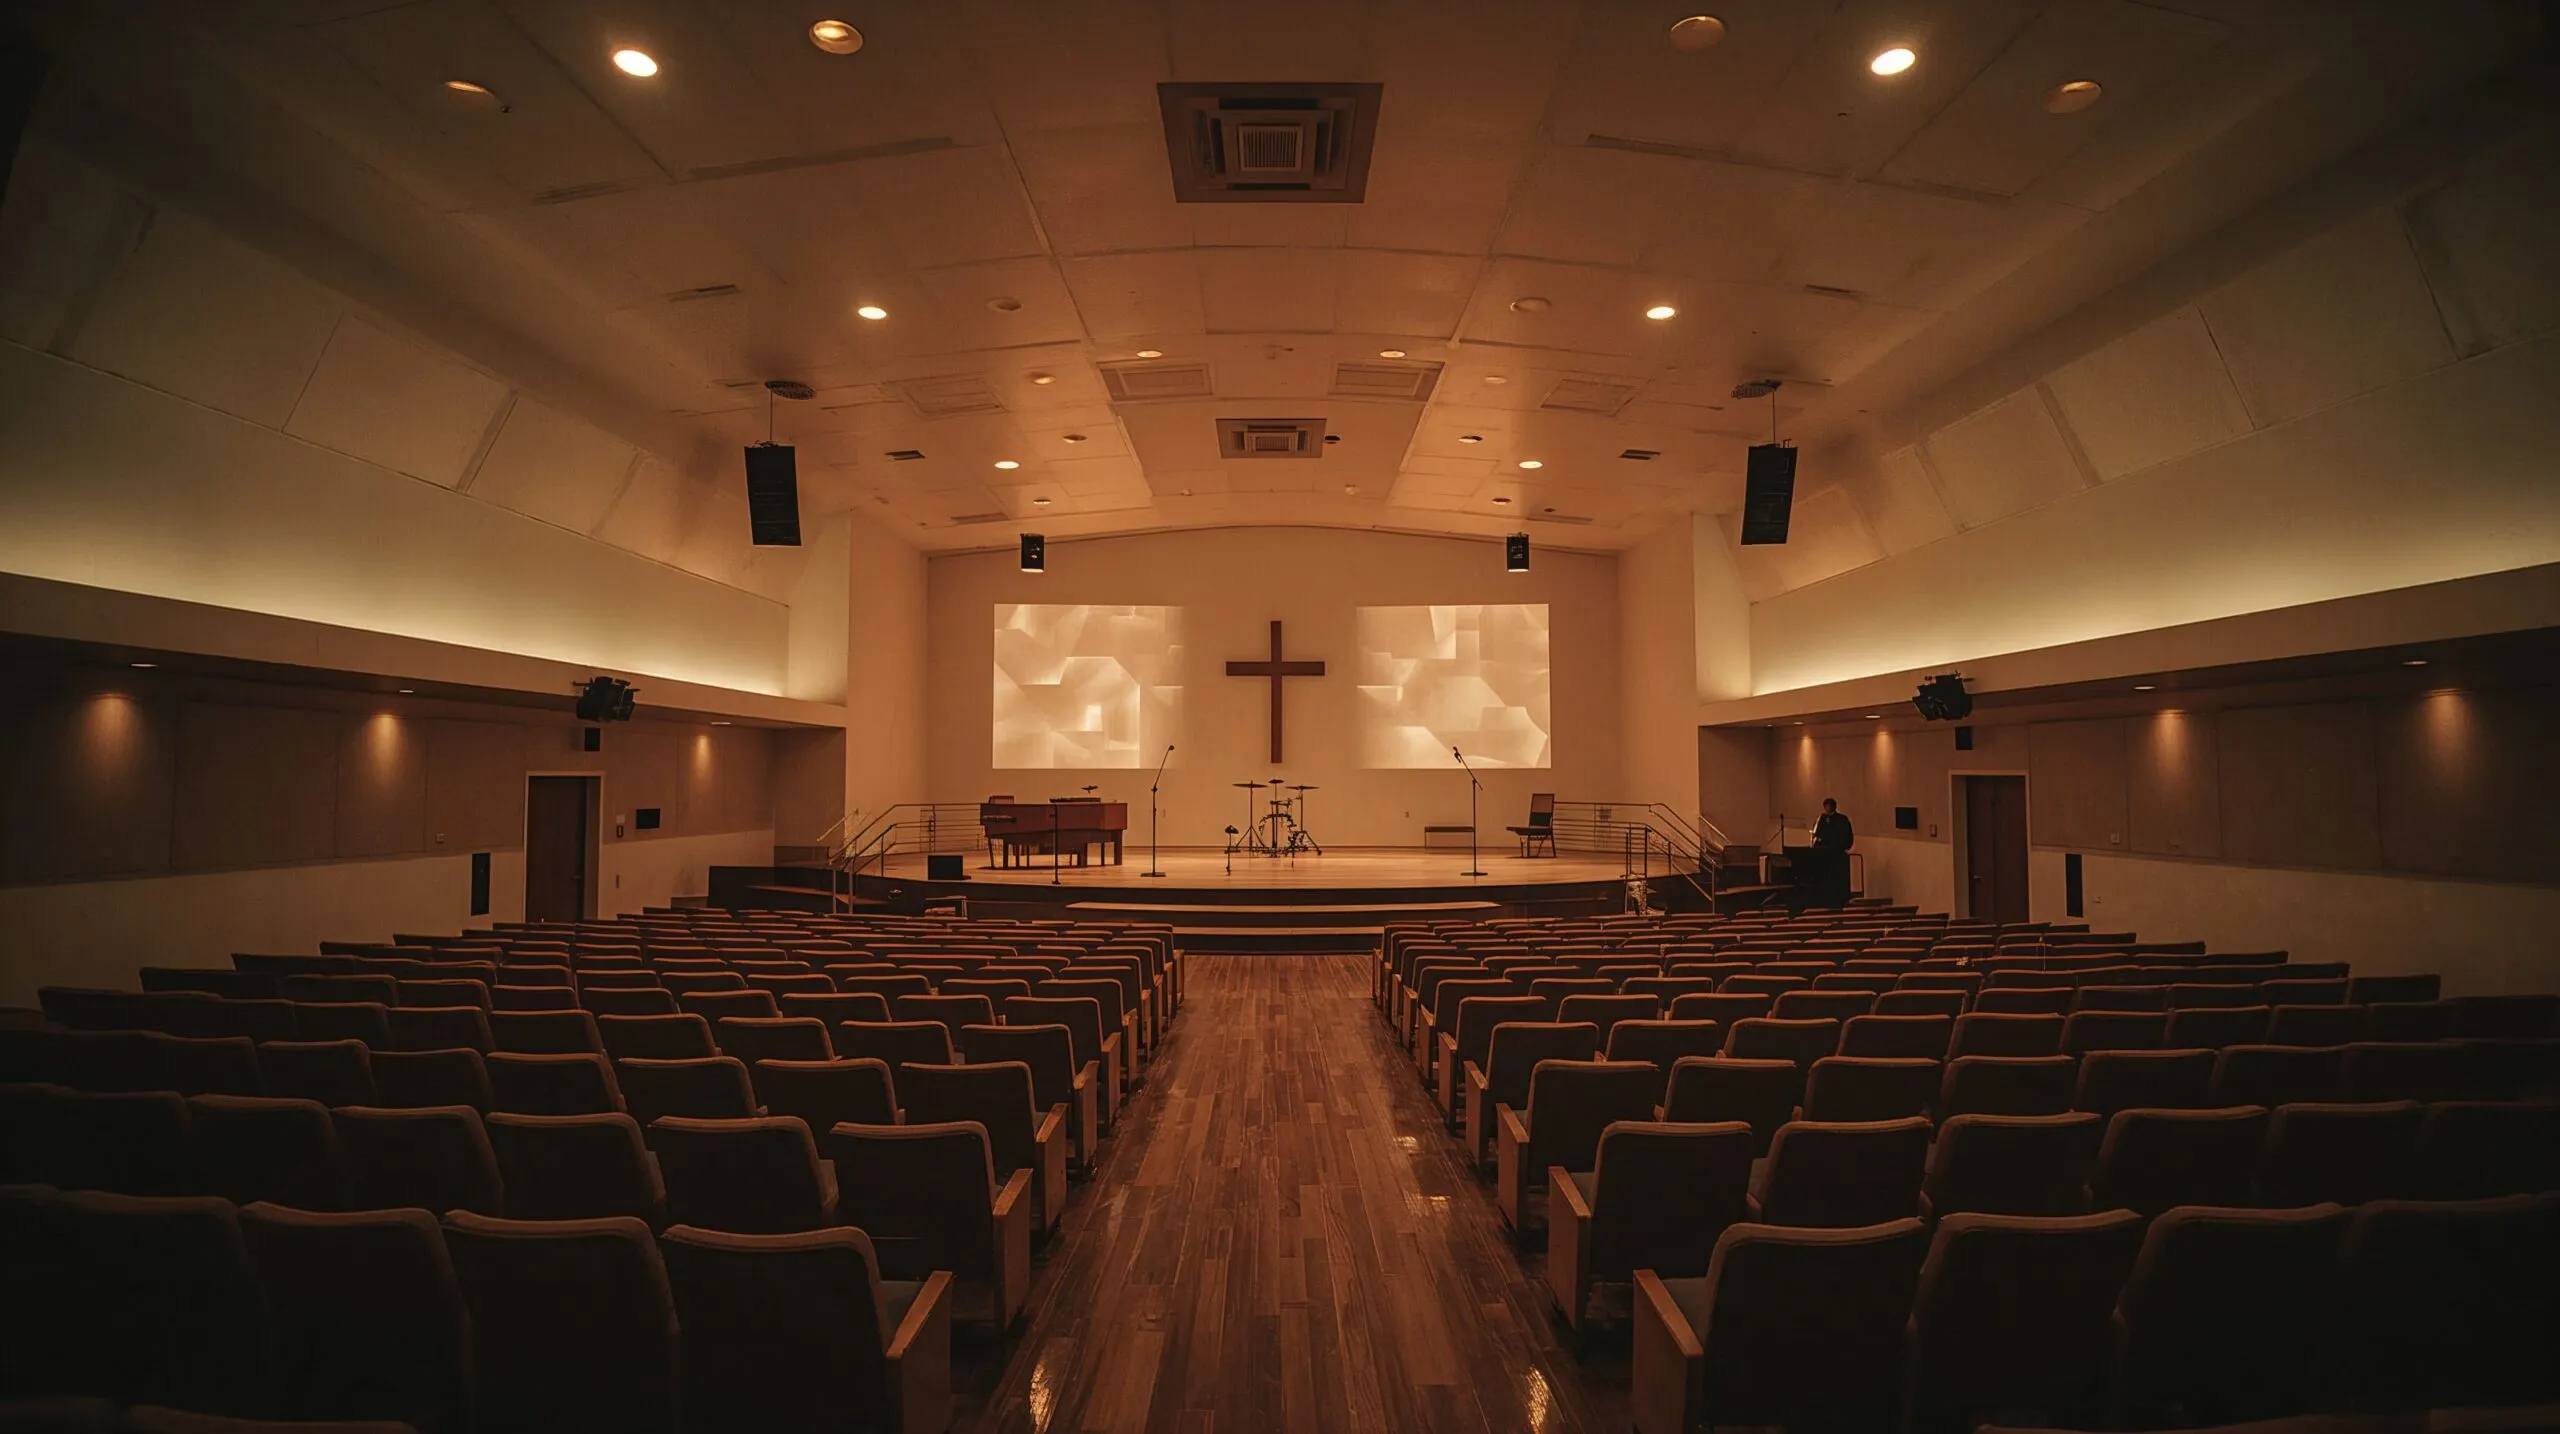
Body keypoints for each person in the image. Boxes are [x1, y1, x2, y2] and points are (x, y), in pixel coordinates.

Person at [1809, 798, 1854, 908]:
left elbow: (1847, 839)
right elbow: (1816, 836)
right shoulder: (1821, 820)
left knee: (1836, 884)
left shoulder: (1841, 820)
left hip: (1836, 856)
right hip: (1824, 856)